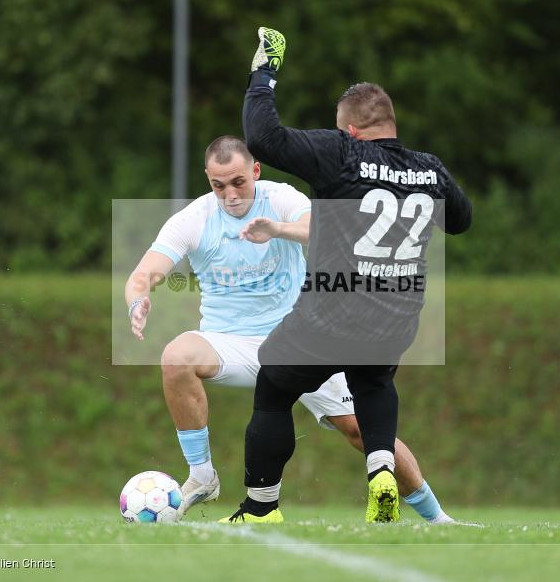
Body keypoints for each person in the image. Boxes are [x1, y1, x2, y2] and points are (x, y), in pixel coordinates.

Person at [125, 135, 453, 523]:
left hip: (301, 340)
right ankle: (202, 476)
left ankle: (437, 518)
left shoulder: (279, 197)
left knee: (360, 430)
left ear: (256, 171)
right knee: (176, 357)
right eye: (218, 185)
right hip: (230, 343)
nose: (230, 194)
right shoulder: (194, 218)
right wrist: (137, 300)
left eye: (238, 182)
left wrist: (277, 229)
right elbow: (143, 273)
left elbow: (320, 228)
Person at [220, 29, 472, 524]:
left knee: (274, 385)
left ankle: (261, 507)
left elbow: (264, 138)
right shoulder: (429, 169)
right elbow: (461, 220)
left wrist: (263, 73)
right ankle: (381, 472)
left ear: (351, 131)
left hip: (333, 311)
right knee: (372, 382)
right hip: (397, 316)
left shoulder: (343, 153)